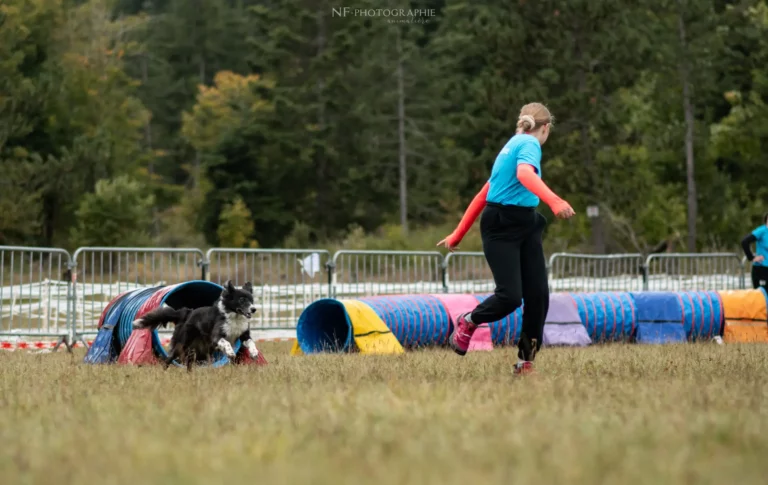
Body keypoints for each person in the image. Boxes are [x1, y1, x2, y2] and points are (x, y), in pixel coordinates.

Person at [437, 103, 575, 375]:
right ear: (545, 128)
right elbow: (525, 175)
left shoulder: (510, 146)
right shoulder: (529, 144)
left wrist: (458, 233)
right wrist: (555, 201)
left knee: (538, 296)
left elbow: (483, 193)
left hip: (524, 223)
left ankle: (526, 362)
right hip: (502, 226)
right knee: (511, 296)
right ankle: (469, 321)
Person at [741, 213, 768, 289]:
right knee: (762, 296)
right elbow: (745, 242)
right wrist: (751, 257)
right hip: (761, 269)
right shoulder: (762, 231)